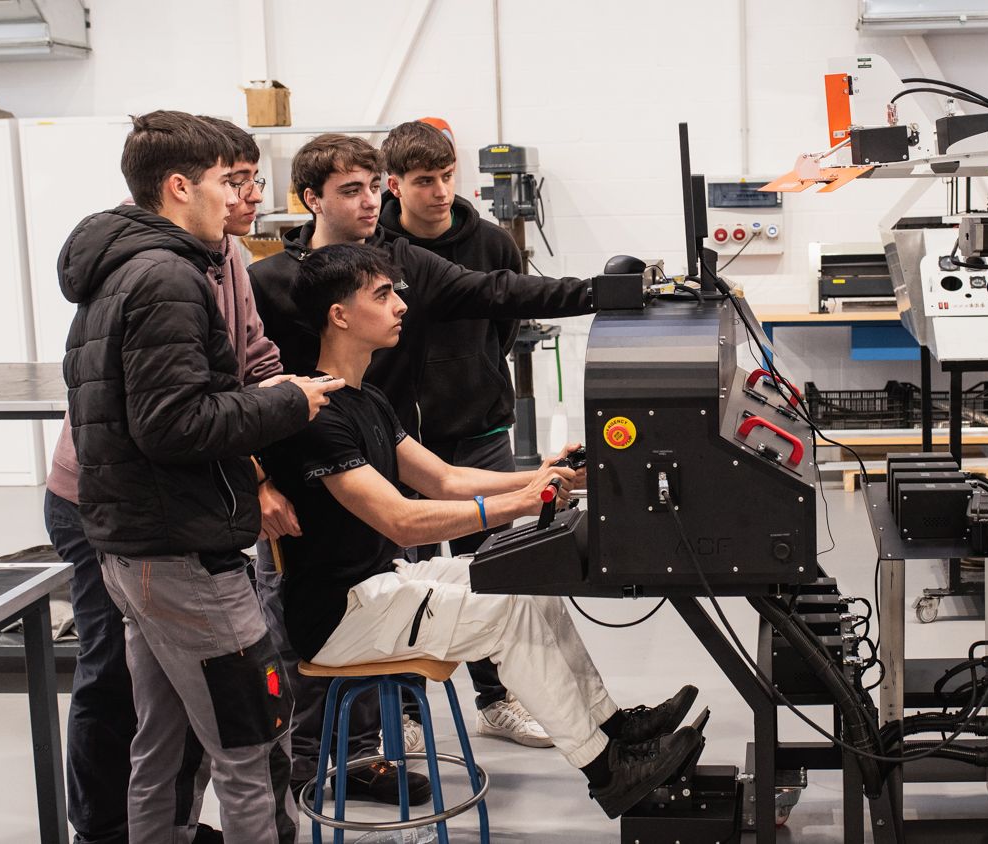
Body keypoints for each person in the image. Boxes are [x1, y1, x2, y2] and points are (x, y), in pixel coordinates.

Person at [260, 242, 704, 818]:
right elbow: (399, 517)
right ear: (339, 316)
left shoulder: (367, 398)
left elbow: (442, 478)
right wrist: (520, 503)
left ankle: (615, 727)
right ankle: (606, 771)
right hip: (337, 612)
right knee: (506, 614)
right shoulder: (315, 417)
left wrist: (540, 474)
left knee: (520, 579)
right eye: (383, 294)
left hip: (381, 582)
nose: (400, 305)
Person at [249, 133, 598, 781]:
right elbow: (238, 389)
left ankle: (383, 742)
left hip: (377, 450)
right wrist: (260, 482)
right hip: (300, 478)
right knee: (306, 637)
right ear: (310, 199)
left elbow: (501, 292)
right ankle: (316, 769)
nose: (369, 201)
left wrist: (607, 292)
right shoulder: (266, 283)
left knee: (401, 593)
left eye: (373, 186)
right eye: (350, 190)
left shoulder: (399, 261)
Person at [59, 110, 343, 844]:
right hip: (183, 553)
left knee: (162, 746)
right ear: (180, 186)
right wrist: (289, 400)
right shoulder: (166, 278)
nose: (241, 196)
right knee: (256, 750)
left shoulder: (127, 266)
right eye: (230, 180)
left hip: (140, 548)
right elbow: (174, 424)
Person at [379, 119, 540, 747]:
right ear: (394, 185)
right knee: (408, 581)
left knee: (491, 573)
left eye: (448, 176)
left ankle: (496, 698)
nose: (441, 191)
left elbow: (504, 330)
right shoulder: (375, 250)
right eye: (425, 181)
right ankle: (410, 710)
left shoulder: (494, 245)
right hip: (401, 441)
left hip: (481, 433)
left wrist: (472, 381)